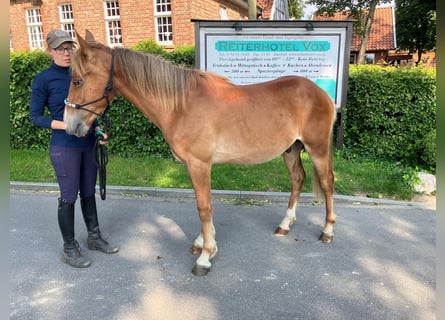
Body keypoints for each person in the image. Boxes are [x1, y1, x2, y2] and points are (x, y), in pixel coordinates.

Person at [29, 30, 119, 268]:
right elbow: (35, 117)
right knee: (69, 196)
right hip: (64, 146)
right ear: (50, 50)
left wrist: (98, 130)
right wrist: (65, 125)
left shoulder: (80, 74)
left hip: (87, 144)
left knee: (88, 193)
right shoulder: (44, 79)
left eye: (69, 48)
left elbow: (88, 107)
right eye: (61, 49)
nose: (67, 53)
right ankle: (69, 248)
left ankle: (94, 237)